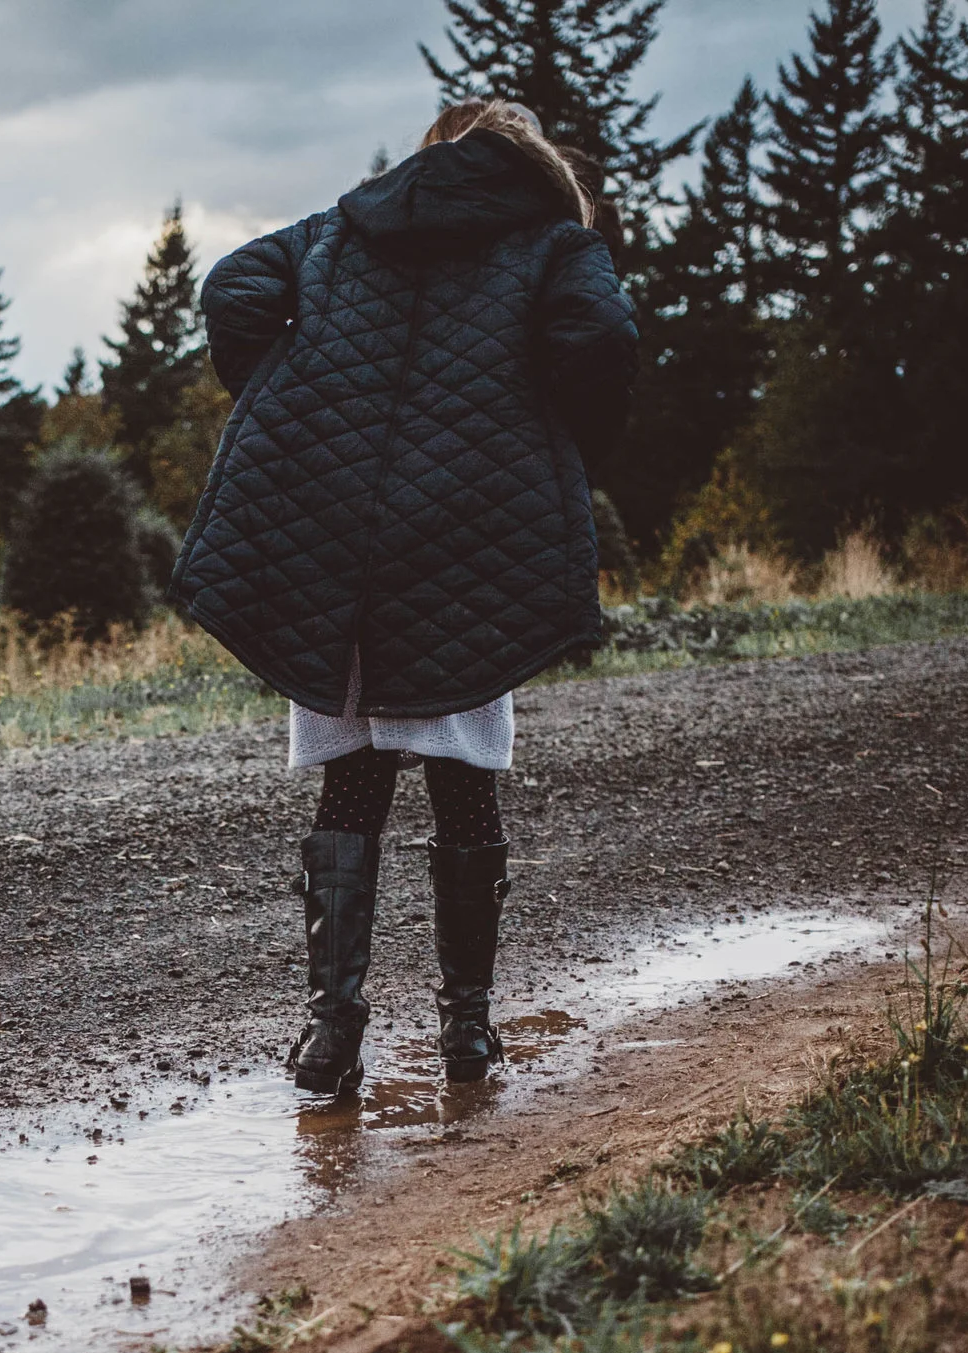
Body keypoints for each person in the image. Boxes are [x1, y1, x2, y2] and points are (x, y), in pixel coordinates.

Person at [173, 99, 638, 1094]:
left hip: (335, 539)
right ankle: (465, 1035)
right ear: (531, 162)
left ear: (433, 156)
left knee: (354, 781)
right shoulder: (554, 242)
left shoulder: (341, 228)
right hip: (467, 536)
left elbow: (232, 290)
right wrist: (543, 440)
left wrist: (294, 393)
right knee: (462, 781)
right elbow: (598, 337)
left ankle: (330, 1035)